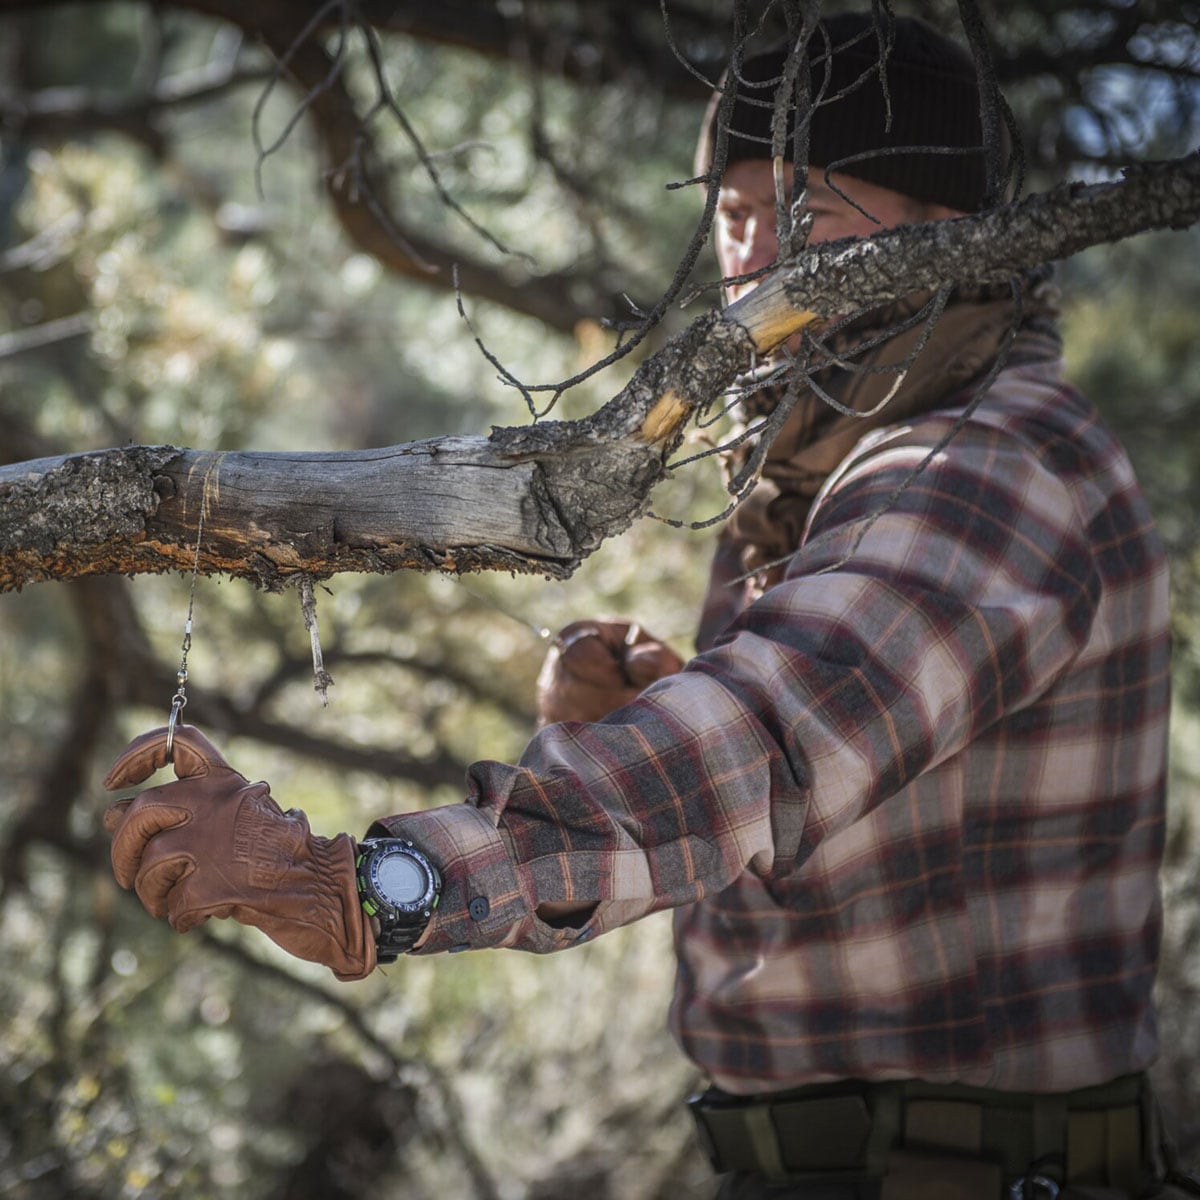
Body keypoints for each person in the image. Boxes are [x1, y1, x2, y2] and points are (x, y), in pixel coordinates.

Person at [102, 14, 1186, 1199]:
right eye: (737, 212)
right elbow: (801, 755)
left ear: (951, 231)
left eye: (812, 208)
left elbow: (764, 745)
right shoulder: (821, 468)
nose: (760, 256)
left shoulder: (990, 468)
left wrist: (366, 886)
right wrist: (656, 706)